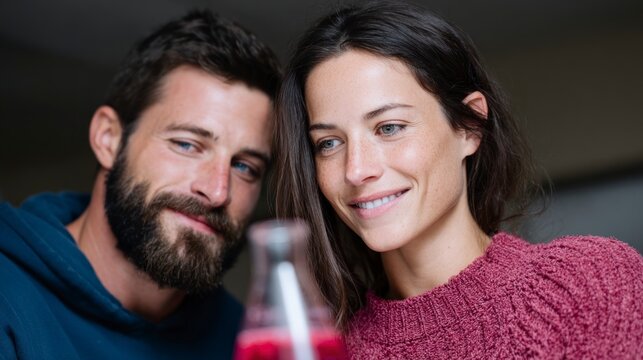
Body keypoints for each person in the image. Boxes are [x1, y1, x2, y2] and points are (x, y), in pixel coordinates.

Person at [273, 1, 643, 358]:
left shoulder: (592, 283)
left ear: (469, 126)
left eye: (389, 128)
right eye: (329, 143)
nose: (356, 169)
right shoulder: (325, 350)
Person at [0, 9, 280, 359]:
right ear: (109, 139)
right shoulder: (8, 298)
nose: (217, 191)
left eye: (244, 166)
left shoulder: (248, 341)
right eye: (187, 145)